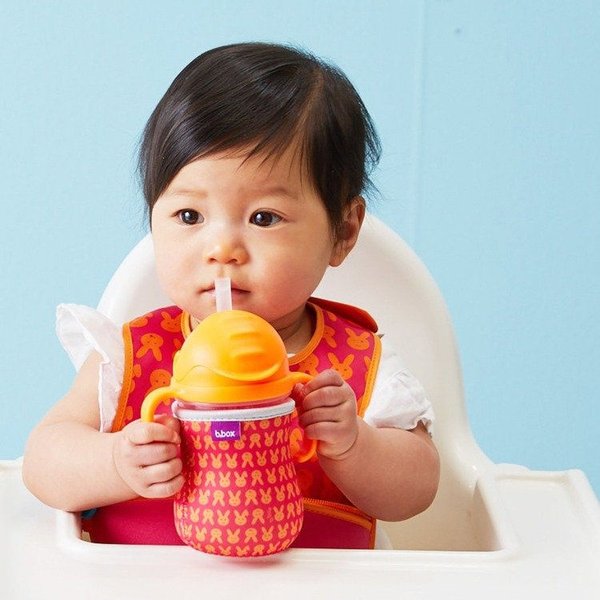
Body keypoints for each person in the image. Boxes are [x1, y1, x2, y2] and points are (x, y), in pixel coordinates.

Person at [23, 42, 439, 549]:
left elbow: (418, 490)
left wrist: (355, 445)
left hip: (315, 584)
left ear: (344, 231)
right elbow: (43, 461)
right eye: (190, 216)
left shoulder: (356, 367)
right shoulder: (131, 357)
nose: (221, 249)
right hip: (147, 583)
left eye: (264, 217)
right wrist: (115, 462)